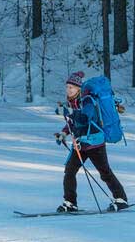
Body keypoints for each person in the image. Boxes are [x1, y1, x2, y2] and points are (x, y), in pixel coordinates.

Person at [54, 71, 129, 212]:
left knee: (105, 172)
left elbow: (84, 118)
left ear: (78, 89)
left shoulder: (87, 100)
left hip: (95, 144)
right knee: (69, 171)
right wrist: (63, 133)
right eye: (67, 87)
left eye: (71, 87)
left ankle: (121, 199)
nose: (68, 90)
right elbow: (73, 123)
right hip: (80, 144)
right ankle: (70, 203)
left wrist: (68, 111)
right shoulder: (73, 103)